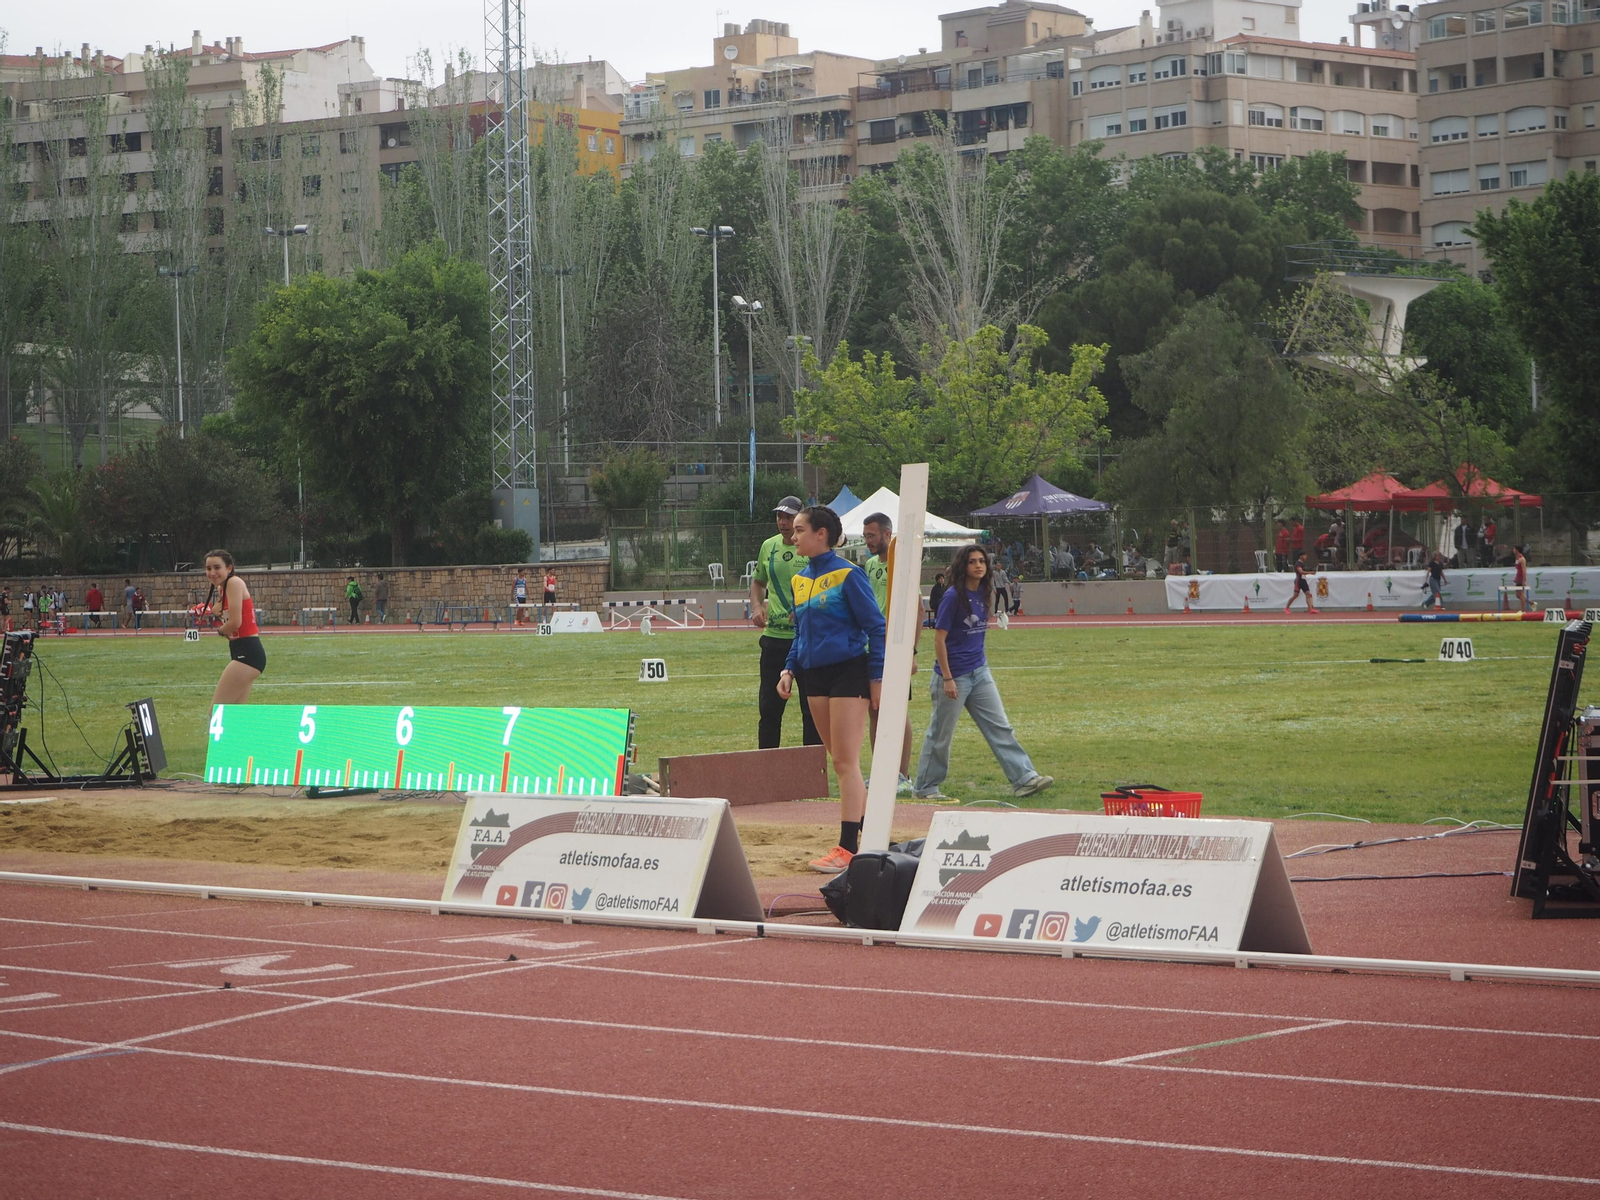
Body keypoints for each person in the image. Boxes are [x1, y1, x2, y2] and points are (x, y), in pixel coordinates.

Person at [776, 506, 886, 874]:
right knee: (838, 760)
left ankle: (848, 847)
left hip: (848, 672)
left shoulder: (849, 575)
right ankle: (871, 836)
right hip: (813, 675)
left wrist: (876, 679)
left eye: (799, 530)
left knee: (844, 761)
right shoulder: (799, 580)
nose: (793, 538)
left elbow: (876, 628)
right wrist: (789, 668)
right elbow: (801, 633)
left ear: (822, 533)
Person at [913, 543, 1052, 803]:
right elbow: (939, 640)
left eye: (982, 561)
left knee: (1000, 727)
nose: (978, 565)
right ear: (962, 566)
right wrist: (948, 678)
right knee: (941, 735)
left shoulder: (985, 593)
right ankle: (925, 787)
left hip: (980, 671)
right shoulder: (953, 596)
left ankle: (1024, 779)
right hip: (953, 677)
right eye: (972, 561)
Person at [751, 496, 821, 749]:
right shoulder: (768, 547)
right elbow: (758, 581)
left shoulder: (811, 546)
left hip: (806, 640)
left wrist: (806, 607)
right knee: (769, 708)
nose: (783, 522)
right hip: (774, 640)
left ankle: (811, 770)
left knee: (811, 710)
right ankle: (767, 767)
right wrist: (757, 605)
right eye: (780, 516)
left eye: (789, 517)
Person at [860, 511, 921, 798]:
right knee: (875, 709)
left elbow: (918, 609)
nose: (868, 541)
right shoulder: (870, 565)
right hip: (872, 648)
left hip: (895, 647)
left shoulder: (901, 563)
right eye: (865, 536)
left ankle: (902, 774)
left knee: (897, 711)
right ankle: (880, 771)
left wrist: (911, 651)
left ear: (887, 534)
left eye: (872, 535)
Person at [205, 549, 264, 704]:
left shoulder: (234, 582)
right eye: (208, 568)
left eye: (217, 568)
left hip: (248, 652)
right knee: (235, 714)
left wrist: (219, 630)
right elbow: (232, 628)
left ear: (229, 568)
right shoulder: (222, 588)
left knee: (216, 712)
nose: (212, 573)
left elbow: (235, 623)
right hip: (241, 650)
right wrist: (217, 614)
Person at [1511, 544, 1529, 612]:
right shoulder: (1517, 558)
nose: (1513, 550)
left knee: (1521, 594)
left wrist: (1524, 580)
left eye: (1514, 549)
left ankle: (1523, 610)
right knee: (1517, 595)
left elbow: (1524, 570)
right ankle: (1531, 603)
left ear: (1517, 550)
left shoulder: (1522, 559)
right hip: (1518, 577)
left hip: (1521, 577)